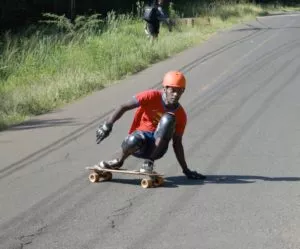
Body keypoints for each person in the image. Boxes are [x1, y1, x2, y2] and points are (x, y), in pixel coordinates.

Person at [95, 71, 206, 180]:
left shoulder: (181, 115)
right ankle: (119, 160)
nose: (176, 94)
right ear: (165, 89)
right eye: (173, 90)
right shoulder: (151, 96)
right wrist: (107, 125)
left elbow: (177, 143)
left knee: (169, 118)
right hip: (138, 144)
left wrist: (186, 170)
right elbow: (124, 107)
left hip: (157, 149)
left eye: (180, 91)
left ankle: (149, 162)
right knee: (133, 139)